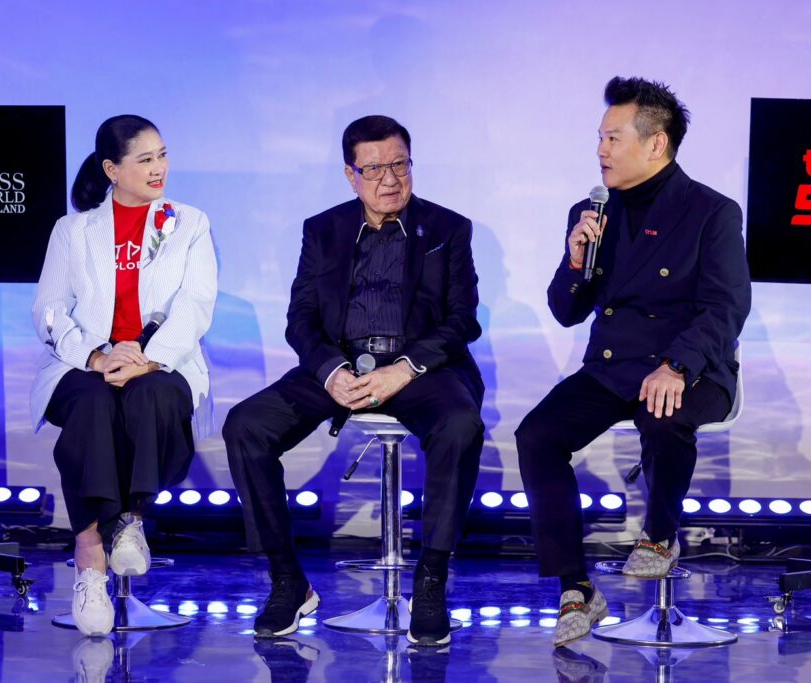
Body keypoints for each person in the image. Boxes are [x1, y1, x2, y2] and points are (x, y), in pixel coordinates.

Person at [223, 115, 485, 646]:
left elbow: (463, 320)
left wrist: (403, 369)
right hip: (340, 366)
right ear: (351, 174)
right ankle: (287, 580)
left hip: (419, 368)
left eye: (400, 165)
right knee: (245, 425)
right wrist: (330, 371)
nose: (390, 179)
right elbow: (300, 319)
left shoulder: (448, 229)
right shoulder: (323, 230)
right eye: (374, 169)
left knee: (461, 425)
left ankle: (430, 582)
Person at [516, 77, 751, 647]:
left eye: (613, 138)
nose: (600, 150)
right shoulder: (592, 211)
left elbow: (726, 307)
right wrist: (576, 261)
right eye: (599, 137)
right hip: (613, 365)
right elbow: (566, 311)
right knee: (537, 434)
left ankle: (660, 534)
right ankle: (576, 587)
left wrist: (676, 365)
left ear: (656, 143)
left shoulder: (711, 212)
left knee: (662, 412)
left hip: (693, 364)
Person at [30, 115, 217, 636]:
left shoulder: (189, 222)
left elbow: (195, 304)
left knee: (150, 395)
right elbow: (49, 311)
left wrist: (148, 359)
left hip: (160, 362)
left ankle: (130, 521)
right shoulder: (73, 231)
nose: (160, 168)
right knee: (91, 403)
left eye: (163, 155)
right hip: (83, 363)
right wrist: (96, 357)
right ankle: (91, 552)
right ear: (112, 169)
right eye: (145, 159)